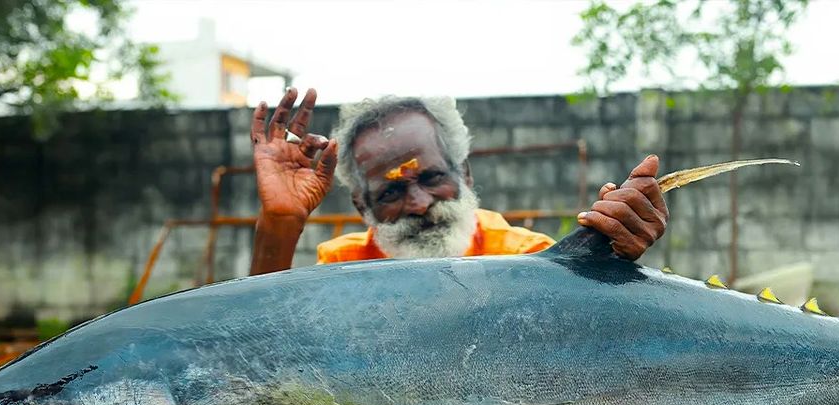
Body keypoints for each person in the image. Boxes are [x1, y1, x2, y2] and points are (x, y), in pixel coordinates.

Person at [248, 88, 669, 275]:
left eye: (431, 178)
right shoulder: (344, 270)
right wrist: (280, 222)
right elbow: (259, 354)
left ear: (464, 174)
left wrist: (612, 265)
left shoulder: (524, 259)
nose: (418, 203)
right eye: (391, 191)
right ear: (364, 208)